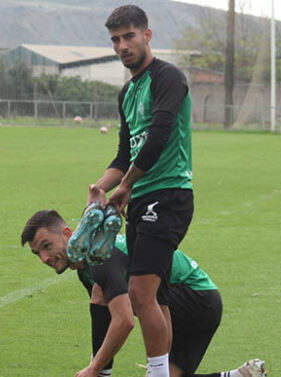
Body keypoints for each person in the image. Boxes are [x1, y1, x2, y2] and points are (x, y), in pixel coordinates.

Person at [21, 209, 266, 377]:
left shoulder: (100, 258)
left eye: (47, 246)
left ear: (67, 234)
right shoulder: (87, 267)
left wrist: (95, 368)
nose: (44, 258)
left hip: (194, 299)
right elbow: (105, 325)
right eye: (37, 253)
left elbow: (124, 321)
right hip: (199, 303)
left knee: (102, 296)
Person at [87, 5, 194, 376]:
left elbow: (159, 137)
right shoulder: (127, 93)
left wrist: (127, 185)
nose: (122, 46)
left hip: (169, 194)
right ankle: (163, 371)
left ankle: (157, 372)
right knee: (157, 296)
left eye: (129, 36)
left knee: (139, 293)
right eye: (115, 40)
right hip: (142, 200)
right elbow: (124, 153)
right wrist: (100, 187)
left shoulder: (168, 78)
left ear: (148, 35)